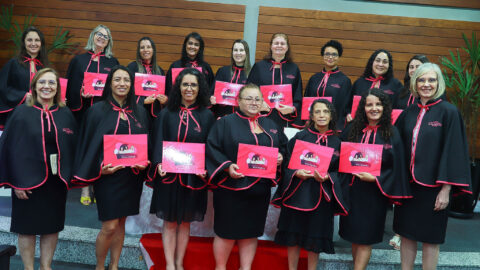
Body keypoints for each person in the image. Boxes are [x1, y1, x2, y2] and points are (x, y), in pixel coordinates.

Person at [393, 63, 471, 270]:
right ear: (415, 83)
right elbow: (394, 145)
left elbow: (454, 151)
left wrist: (446, 190)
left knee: (430, 239)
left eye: (431, 80)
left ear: (439, 83)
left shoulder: (449, 112)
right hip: (408, 187)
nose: (426, 84)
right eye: (421, 80)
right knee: (407, 235)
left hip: (434, 188)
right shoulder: (408, 112)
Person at [72, 65, 149, 270]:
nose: (122, 83)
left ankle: (114, 265)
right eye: (117, 79)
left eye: (126, 79)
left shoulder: (140, 112)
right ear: (110, 83)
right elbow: (88, 144)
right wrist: (99, 167)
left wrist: (144, 162)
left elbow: (145, 144)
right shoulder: (97, 111)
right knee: (109, 225)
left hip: (131, 178)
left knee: (121, 223)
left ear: (132, 84)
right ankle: (99, 265)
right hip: (107, 177)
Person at [0, 68, 77, 270]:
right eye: (42, 82)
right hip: (26, 181)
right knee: (27, 228)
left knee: (51, 227)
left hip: (55, 181)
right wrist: (16, 183)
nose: (47, 86)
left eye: (52, 83)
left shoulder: (65, 113)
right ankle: (28, 268)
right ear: (34, 87)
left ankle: (46, 267)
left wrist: (69, 176)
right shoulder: (21, 112)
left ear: (57, 88)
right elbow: (9, 149)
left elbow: (72, 146)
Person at [206, 83, 287, 270]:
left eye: (258, 99)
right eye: (249, 98)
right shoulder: (225, 122)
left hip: (259, 190)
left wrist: (281, 156)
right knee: (226, 232)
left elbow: (283, 146)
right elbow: (212, 148)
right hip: (231, 189)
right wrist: (227, 167)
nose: (254, 102)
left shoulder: (270, 124)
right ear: (238, 101)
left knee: (251, 233)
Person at [148, 68, 215, 270]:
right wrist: (158, 163)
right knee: (169, 223)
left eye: (193, 85)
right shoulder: (167, 113)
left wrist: (206, 168)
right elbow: (156, 141)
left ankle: (179, 264)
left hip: (193, 179)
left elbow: (211, 147)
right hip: (169, 177)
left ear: (200, 88)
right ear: (178, 87)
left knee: (185, 223)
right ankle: (169, 265)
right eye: (185, 84)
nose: (189, 88)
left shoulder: (207, 116)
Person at [339, 88, 411, 270]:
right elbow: (339, 154)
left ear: (385, 107)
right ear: (363, 107)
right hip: (352, 192)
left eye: (378, 104)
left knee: (365, 239)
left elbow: (397, 166)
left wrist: (375, 178)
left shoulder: (392, 133)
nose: (374, 108)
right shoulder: (352, 128)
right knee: (355, 237)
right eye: (369, 104)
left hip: (374, 194)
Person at [272, 99, 348, 270]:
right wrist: (296, 172)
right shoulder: (301, 136)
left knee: (316, 237)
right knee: (293, 235)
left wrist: (328, 177)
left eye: (326, 112)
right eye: (318, 112)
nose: (322, 115)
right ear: (311, 116)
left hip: (322, 198)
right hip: (297, 194)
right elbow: (286, 163)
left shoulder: (338, 142)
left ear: (331, 115)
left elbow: (342, 172)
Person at [65, 24, 119, 205]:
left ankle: (97, 185)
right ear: (92, 36)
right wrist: (80, 93)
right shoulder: (78, 60)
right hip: (83, 112)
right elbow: (70, 86)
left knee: (102, 147)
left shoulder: (113, 62)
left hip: (104, 113)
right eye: (99, 34)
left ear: (109, 41)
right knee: (85, 146)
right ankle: (85, 187)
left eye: (106, 36)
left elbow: (116, 88)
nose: (102, 38)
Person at [247, 33, 302, 129]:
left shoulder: (294, 68)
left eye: (282, 43)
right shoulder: (259, 67)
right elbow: (248, 91)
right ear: (271, 46)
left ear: (287, 47)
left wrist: (292, 109)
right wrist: (257, 103)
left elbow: (298, 96)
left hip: (285, 120)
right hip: (260, 117)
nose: (279, 46)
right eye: (276, 43)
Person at [0, 26, 49, 129]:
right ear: (24, 43)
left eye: (37, 40)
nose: (33, 43)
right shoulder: (14, 63)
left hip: (38, 113)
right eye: (29, 40)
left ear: (41, 44)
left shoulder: (45, 67)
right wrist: (23, 96)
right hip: (17, 113)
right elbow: (3, 88)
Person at [304, 40, 352, 130]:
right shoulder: (314, 78)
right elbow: (306, 100)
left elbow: (345, 106)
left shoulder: (345, 81)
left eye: (334, 54)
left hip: (333, 127)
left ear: (339, 57)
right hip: (313, 125)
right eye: (327, 54)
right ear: (323, 56)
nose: (330, 57)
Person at [348, 49, 403, 122]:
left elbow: (398, 110)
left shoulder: (396, 85)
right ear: (372, 62)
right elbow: (348, 106)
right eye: (378, 60)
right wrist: (348, 115)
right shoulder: (359, 83)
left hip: (385, 127)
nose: (380, 64)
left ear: (389, 65)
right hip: (359, 125)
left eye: (385, 62)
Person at [127, 37, 166, 120]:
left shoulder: (160, 70)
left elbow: (165, 93)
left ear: (153, 50)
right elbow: (127, 91)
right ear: (138, 51)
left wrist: (165, 100)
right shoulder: (132, 67)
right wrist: (143, 101)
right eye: (142, 47)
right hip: (137, 113)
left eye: (148, 47)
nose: (145, 50)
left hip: (155, 116)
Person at [211, 39, 251, 118]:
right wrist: (212, 98)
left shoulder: (251, 73)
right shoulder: (222, 71)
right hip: (222, 116)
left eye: (241, 50)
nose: (238, 53)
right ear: (232, 52)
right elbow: (212, 93)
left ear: (246, 53)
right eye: (235, 50)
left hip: (243, 118)